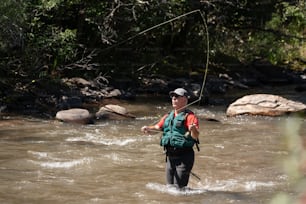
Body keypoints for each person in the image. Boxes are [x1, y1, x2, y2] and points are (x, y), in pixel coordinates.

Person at [141, 88, 200, 188]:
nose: (174, 98)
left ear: (185, 100)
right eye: (173, 97)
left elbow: (196, 135)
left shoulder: (190, 117)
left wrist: (193, 129)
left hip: (184, 157)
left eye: (177, 97)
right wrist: (148, 129)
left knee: (179, 190)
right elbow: (157, 128)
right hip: (170, 157)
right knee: (169, 188)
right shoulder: (168, 116)